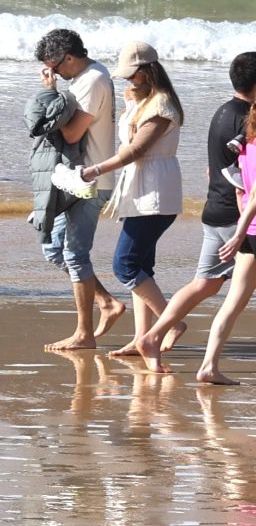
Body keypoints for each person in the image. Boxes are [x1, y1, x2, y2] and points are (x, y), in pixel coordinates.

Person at [113, 51, 256, 371]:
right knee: (231, 295)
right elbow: (246, 181)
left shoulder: (221, 113)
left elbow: (214, 169)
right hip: (240, 219)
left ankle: (155, 333)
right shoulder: (250, 118)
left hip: (214, 212)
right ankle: (200, 361)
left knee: (205, 284)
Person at [76, 42, 184, 361]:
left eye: (132, 76)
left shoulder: (162, 105)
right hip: (138, 189)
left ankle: (171, 323)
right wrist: (133, 99)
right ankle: (142, 337)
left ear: (148, 71)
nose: (127, 82)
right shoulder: (141, 99)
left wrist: (94, 169)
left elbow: (136, 150)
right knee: (142, 267)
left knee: (125, 265)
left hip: (155, 190)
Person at [33, 28, 126, 350]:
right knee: (53, 248)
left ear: (69, 58)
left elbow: (72, 135)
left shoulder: (92, 80)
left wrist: (49, 93)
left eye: (56, 67)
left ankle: (84, 334)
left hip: (90, 181)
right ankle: (107, 303)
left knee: (74, 254)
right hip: (75, 180)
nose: (54, 73)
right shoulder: (85, 78)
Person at [192, 107, 256, 385]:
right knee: (233, 303)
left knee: (232, 304)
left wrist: (243, 229)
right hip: (249, 232)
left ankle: (209, 366)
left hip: (250, 232)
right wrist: (238, 235)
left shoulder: (248, 145)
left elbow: (240, 189)